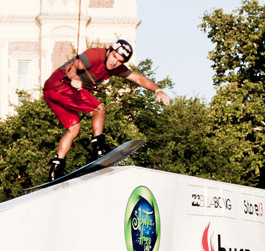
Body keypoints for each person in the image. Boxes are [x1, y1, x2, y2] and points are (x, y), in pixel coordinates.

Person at [42, 39, 170, 181]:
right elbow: (72, 66)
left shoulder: (117, 68)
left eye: (120, 61)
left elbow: (138, 78)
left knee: (74, 128)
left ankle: (55, 170)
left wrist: (157, 90)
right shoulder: (95, 54)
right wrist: (74, 77)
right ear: (109, 51)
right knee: (99, 109)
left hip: (50, 91)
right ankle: (99, 150)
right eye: (114, 56)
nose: (114, 62)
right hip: (60, 84)